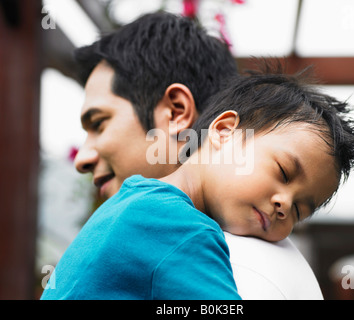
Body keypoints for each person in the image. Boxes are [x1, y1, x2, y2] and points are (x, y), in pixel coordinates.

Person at [45, 11, 326, 299]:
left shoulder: (238, 256)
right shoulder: (180, 228)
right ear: (223, 131)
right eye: (281, 171)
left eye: (99, 123)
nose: (81, 159)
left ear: (177, 111)